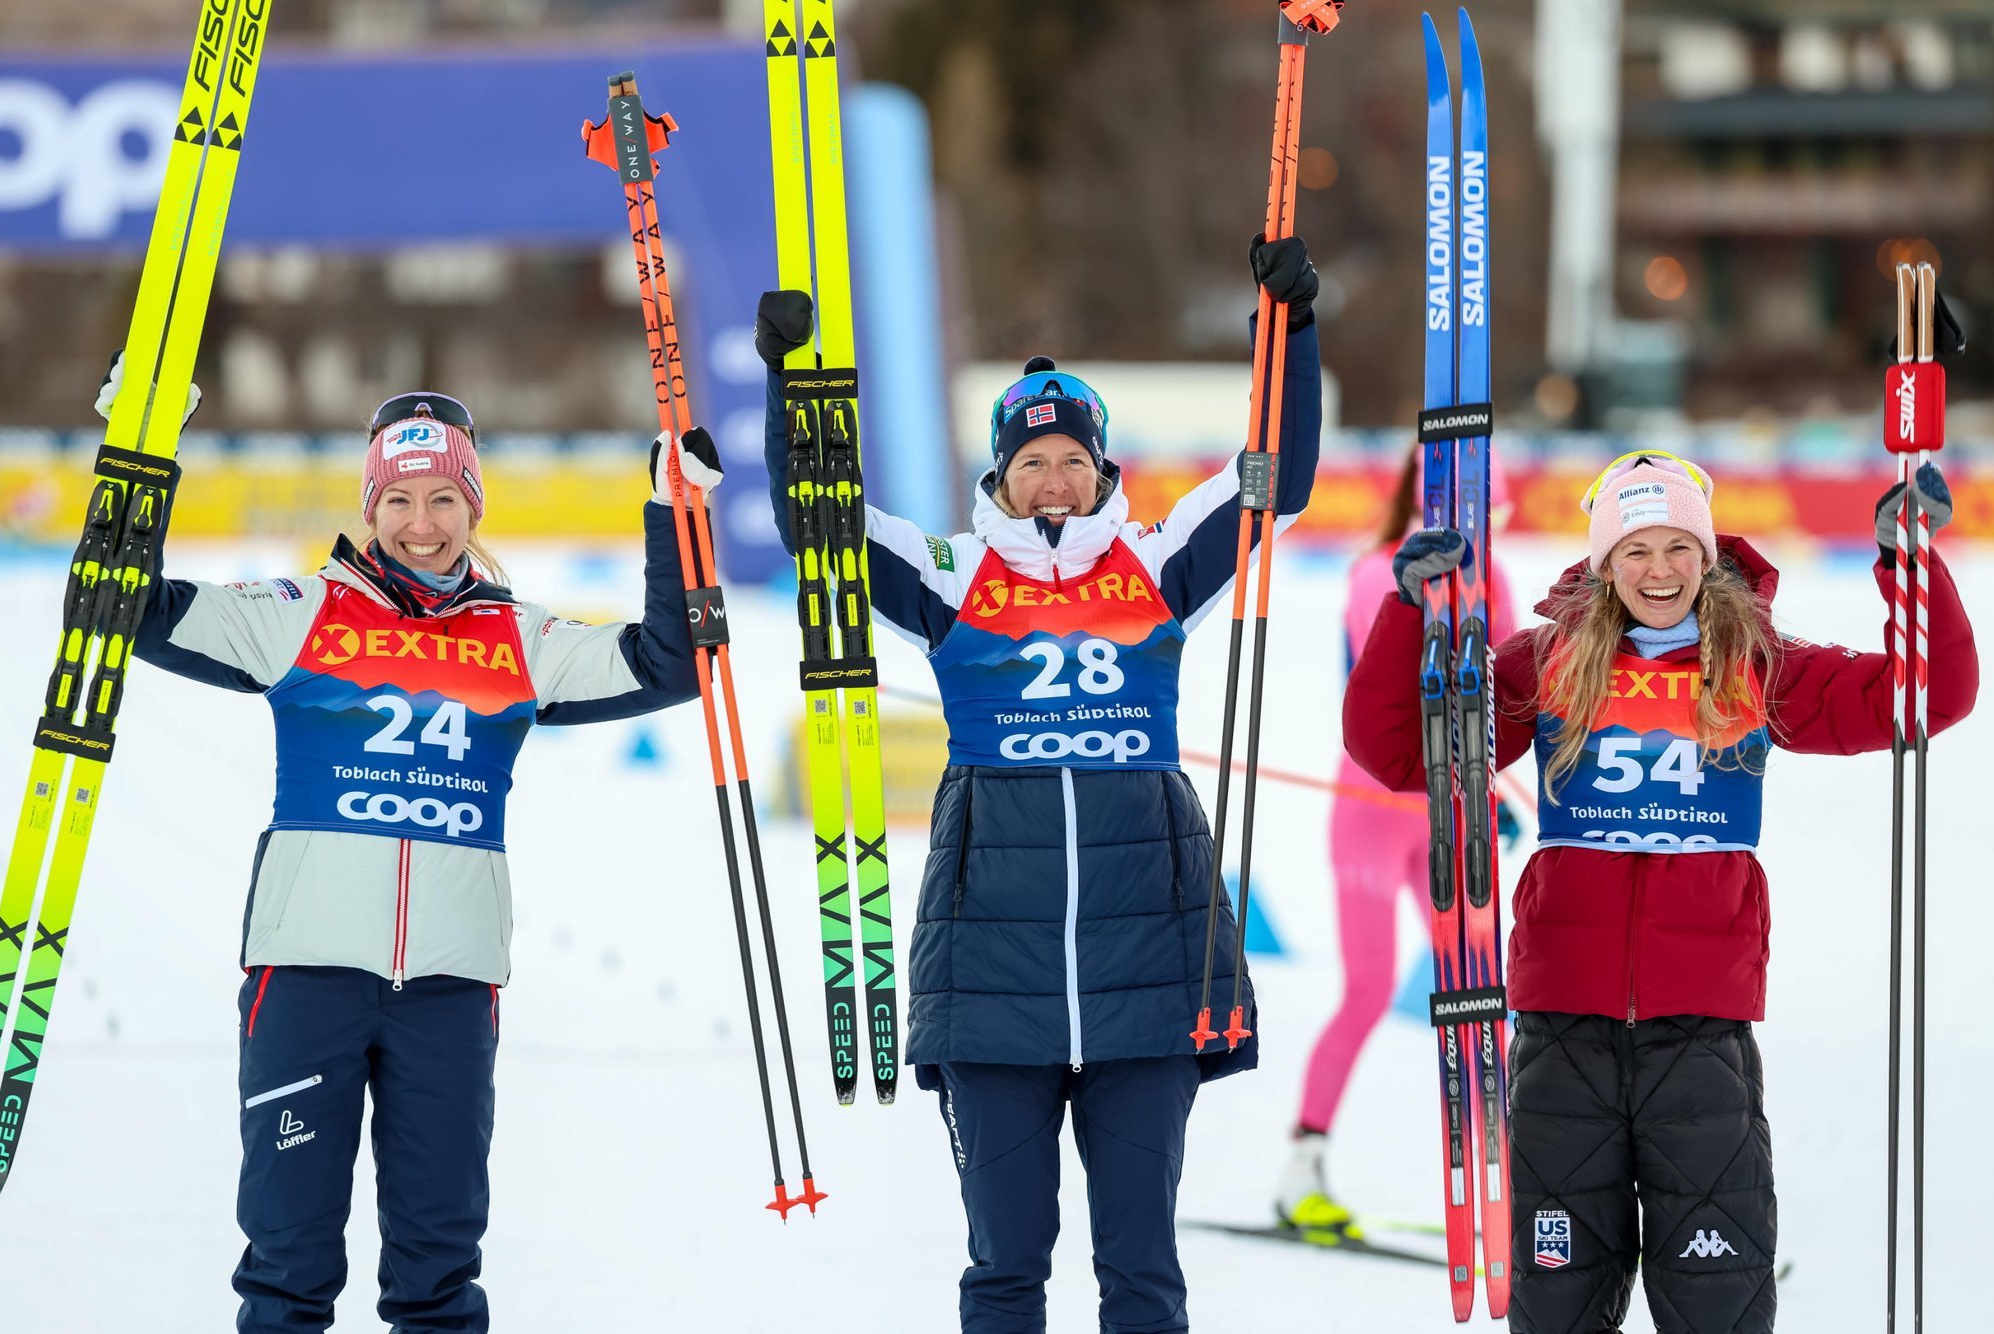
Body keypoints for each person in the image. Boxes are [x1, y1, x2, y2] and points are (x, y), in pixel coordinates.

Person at [755, 233, 1321, 1334]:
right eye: (1031, 462)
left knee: (1141, 1267)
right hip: (989, 979)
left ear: (1102, 471)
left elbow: (1275, 477)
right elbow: (817, 527)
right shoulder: (954, 575)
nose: (1053, 478)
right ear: (999, 477)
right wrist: (790, 384)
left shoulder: (1157, 562)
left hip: (1147, 968)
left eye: (1071, 459)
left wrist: (1288, 331)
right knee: (1005, 1264)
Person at [109, 370, 713, 1333]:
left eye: (442, 500)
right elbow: (126, 607)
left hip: (448, 990)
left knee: (438, 1270)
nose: (420, 525)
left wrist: (675, 513)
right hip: (306, 980)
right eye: (398, 500)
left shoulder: (519, 637)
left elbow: (668, 663)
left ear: (473, 507)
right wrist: (140, 454)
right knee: (288, 1263)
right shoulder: (298, 612)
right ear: (370, 506)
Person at [1341, 451, 1978, 1333]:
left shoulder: (1755, 664)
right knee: (1558, 1303)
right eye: (1635, 550)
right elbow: (1400, 755)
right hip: (1563, 1032)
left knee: (1717, 1301)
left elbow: (1925, 698)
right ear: (1605, 563)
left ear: (1707, 555)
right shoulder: (1548, 662)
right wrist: (1411, 612)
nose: (1660, 571)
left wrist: (1910, 565)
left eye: (1680, 546)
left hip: (1701, 1033)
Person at [1273, 444, 1514, 1237]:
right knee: (1369, 991)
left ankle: (1520, 1178)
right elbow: (1388, 686)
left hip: (1455, 807)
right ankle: (1301, 1169)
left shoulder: (1495, 575)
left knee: (1481, 997)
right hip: (1374, 807)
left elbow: (1510, 694)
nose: (1485, 519)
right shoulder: (1377, 569)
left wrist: (1501, 787)